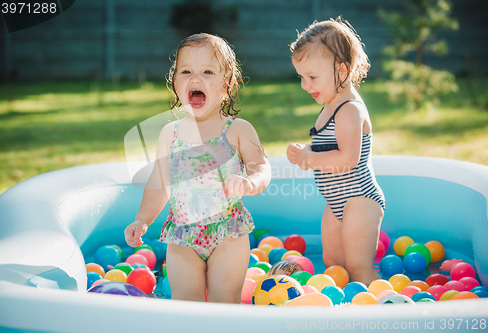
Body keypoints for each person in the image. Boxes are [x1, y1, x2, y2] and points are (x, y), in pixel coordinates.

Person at [124, 33, 271, 303]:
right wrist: (142, 219)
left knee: (223, 302)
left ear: (226, 85)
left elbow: (262, 167)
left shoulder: (237, 130)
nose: (195, 78)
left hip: (228, 232)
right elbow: (159, 183)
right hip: (182, 237)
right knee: (186, 304)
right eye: (186, 71)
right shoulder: (171, 134)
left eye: (207, 71)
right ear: (176, 82)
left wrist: (251, 182)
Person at [286, 18, 385, 285]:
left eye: (313, 77)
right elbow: (329, 147)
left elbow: (348, 159)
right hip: (336, 202)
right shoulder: (331, 105)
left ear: (342, 70)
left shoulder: (349, 109)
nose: (306, 85)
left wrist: (310, 158)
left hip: (359, 200)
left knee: (357, 269)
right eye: (302, 77)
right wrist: (304, 150)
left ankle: (383, 306)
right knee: (335, 268)